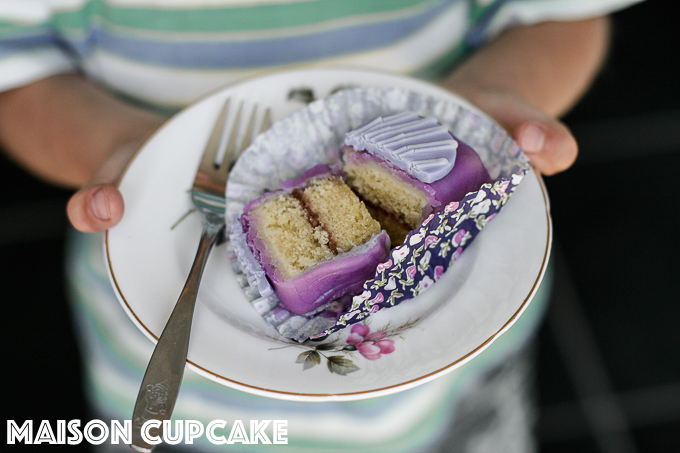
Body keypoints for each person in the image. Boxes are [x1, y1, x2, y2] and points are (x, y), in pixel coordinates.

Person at [0, 1, 641, 451]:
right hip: (175, 364)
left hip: (452, 362)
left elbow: (563, 12)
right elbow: (18, 73)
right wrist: (125, 153)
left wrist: (478, 103)